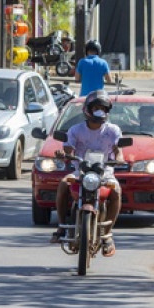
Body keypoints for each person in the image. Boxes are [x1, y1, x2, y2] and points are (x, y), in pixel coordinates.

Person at [50, 90, 125, 256]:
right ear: (88, 110)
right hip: (81, 173)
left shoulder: (113, 130)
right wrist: (64, 155)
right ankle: (61, 228)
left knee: (117, 191)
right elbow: (68, 150)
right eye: (96, 107)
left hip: (104, 173)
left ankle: (107, 235)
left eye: (103, 108)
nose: (99, 111)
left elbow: (118, 152)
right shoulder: (75, 130)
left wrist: (119, 158)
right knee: (63, 183)